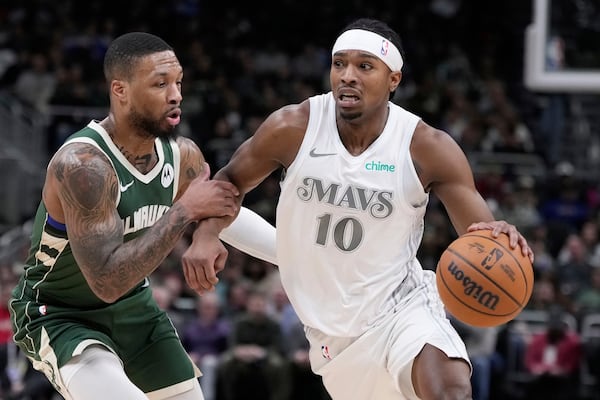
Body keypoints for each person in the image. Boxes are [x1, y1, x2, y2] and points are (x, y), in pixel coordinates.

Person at [184, 18, 534, 399]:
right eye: (339, 64)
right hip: (333, 337)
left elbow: (480, 236)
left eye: (364, 66)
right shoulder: (293, 127)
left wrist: (499, 236)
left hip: (401, 308)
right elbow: (227, 183)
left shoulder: (427, 148)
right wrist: (205, 234)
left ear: (393, 80)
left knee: (450, 390)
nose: (347, 76)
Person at [8, 32, 251, 400]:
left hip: (136, 309)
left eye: (178, 82)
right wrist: (185, 212)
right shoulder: (83, 166)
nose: (176, 95)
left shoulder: (181, 155)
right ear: (120, 90)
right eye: (160, 84)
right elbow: (105, 282)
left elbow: (222, 206)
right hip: (60, 313)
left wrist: (209, 234)